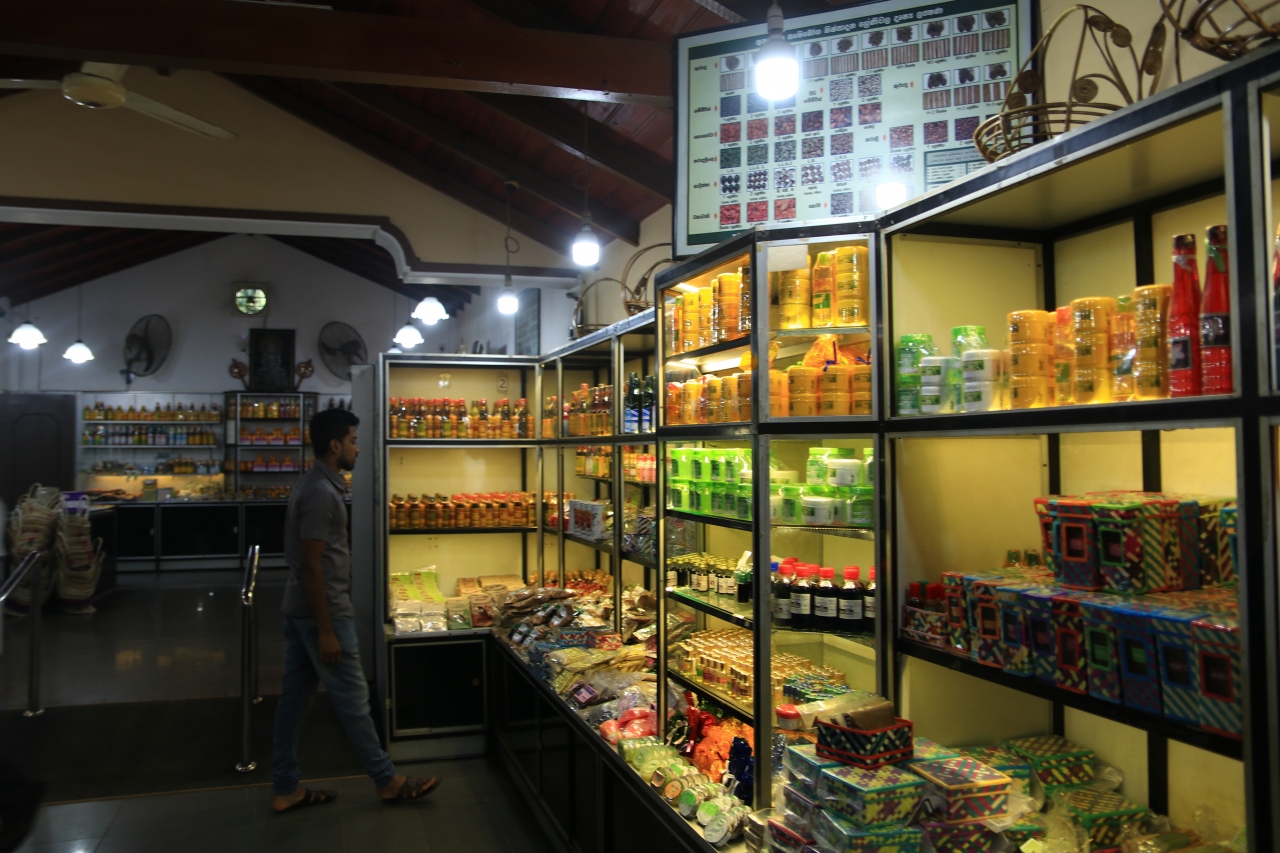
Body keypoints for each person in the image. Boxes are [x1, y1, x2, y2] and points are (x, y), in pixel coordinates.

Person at [271, 408, 439, 812]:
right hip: (323, 612)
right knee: (353, 699)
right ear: (335, 445)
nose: (358, 448)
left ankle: (285, 787)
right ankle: (386, 780)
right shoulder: (320, 492)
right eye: (353, 440)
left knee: (293, 701)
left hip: (303, 610)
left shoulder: (315, 483)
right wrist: (326, 629)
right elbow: (312, 564)